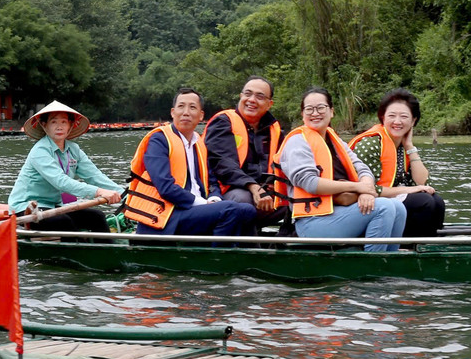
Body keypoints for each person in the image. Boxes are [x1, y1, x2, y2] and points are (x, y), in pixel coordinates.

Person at [271, 88, 406, 252]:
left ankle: (389, 260)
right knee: (383, 207)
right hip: (311, 222)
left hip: (339, 212)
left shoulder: (335, 141)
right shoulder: (297, 142)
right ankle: (373, 267)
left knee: (398, 207)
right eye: (309, 109)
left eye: (321, 108)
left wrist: (366, 191)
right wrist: (356, 187)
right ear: (302, 114)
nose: (315, 113)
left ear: (331, 111)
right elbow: (310, 183)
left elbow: (363, 169)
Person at [119, 88, 256, 237]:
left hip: (195, 211)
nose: (186, 112)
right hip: (168, 215)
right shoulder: (159, 140)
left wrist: (214, 198)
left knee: (248, 211)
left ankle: (248, 253)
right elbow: (165, 187)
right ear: (173, 112)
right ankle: (217, 257)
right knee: (229, 210)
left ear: (201, 115)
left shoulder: (199, 143)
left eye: (192, 107)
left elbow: (212, 182)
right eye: (181, 106)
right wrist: (203, 203)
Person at [7, 100, 121, 232]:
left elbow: (94, 176)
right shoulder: (40, 151)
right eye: (54, 122)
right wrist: (99, 192)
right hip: (26, 208)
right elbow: (61, 182)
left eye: (64, 122)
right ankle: (78, 250)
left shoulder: (74, 149)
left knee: (97, 217)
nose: (59, 127)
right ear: (44, 125)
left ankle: (106, 251)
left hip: (55, 206)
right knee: (64, 222)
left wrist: (124, 194)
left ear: (70, 125)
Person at [349, 89, 446, 239]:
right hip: (365, 202)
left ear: (413, 121)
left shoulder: (401, 145)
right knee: (425, 202)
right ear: (382, 117)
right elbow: (368, 188)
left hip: (392, 197)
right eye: (392, 116)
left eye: (404, 116)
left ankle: (426, 245)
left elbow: (423, 182)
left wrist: (409, 146)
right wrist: (414, 189)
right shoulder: (370, 144)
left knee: (437, 202)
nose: (397, 121)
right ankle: (408, 247)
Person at [203, 76, 282, 225]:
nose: (252, 100)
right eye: (248, 94)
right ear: (241, 97)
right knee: (243, 201)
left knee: (298, 199)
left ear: (269, 104)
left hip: (263, 191)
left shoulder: (274, 130)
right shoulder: (223, 123)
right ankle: (246, 246)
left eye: (260, 96)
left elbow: (284, 165)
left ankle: (286, 240)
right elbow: (222, 164)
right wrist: (254, 187)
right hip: (222, 192)